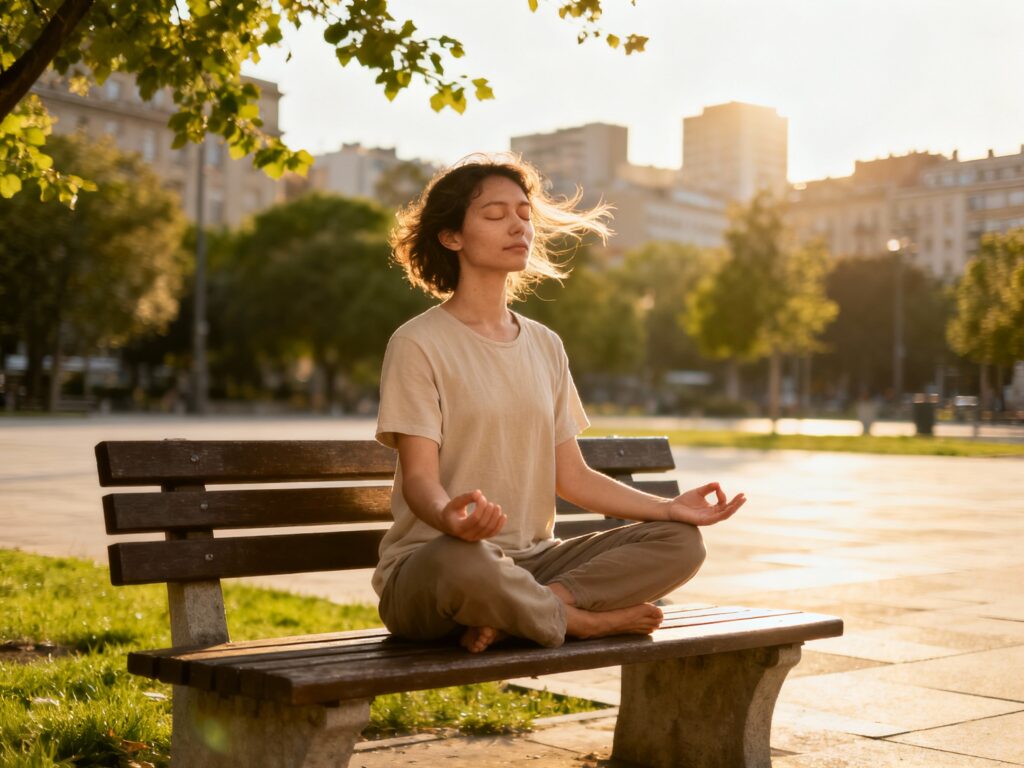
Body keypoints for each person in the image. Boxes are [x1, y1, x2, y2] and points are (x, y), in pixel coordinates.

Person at [373, 154, 745, 653]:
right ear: (451, 237)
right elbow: (419, 479)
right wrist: (450, 520)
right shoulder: (417, 342)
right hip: (437, 568)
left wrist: (670, 508)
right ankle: (578, 621)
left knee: (679, 542)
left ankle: (533, 609)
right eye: (495, 214)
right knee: (463, 560)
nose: (518, 226)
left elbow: (572, 477)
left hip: (533, 562)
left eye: (525, 214)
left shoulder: (546, 345)